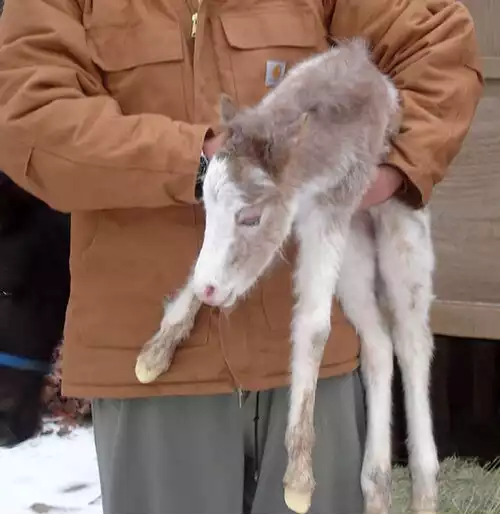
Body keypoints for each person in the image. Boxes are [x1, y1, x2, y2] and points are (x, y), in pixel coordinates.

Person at [0, 1, 482, 513]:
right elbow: (26, 113)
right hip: (151, 364)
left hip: (310, 366)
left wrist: (385, 172)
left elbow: (438, 45)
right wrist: (202, 161)